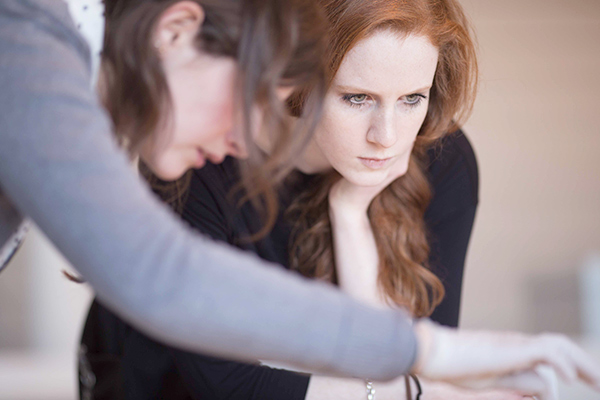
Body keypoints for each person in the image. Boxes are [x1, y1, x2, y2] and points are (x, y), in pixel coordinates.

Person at [79, 0, 600, 399]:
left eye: (412, 99)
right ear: (296, 80)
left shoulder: (445, 161)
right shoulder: (201, 156)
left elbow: (415, 365)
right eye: (357, 98)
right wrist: (418, 391)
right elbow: (228, 385)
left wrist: (350, 213)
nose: (387, 136)